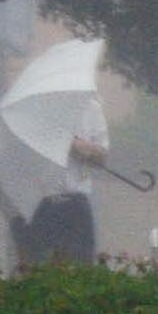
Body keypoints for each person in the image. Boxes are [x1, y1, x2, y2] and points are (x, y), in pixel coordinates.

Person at [13, 96, 109, 265]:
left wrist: (78, 145)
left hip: (76, 202)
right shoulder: (36, 110)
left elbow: (101, 159)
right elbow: (23, 159)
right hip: (42, 202)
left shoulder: (91, 108)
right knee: (41, 265)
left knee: (81, 265)